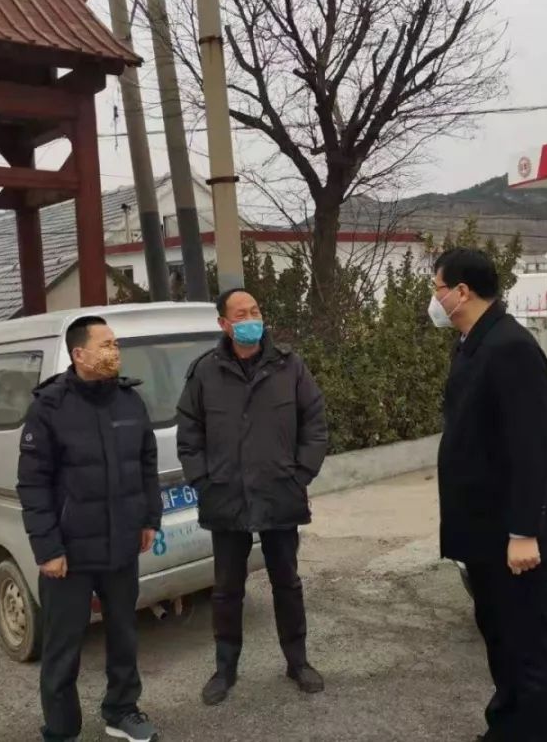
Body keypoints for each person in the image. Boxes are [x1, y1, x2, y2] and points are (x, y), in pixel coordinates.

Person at [430, 248, 547, 742]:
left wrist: (524, 530)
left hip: (512, 536)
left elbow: (532, 447)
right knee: (502, 642)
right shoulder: (474, 343)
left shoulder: (511, 348)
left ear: (461, 291)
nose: (435, 299)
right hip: (483, 532)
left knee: (529, 651)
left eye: (437, 289)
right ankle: (509, 728)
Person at [177, 288, 329, 706]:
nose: (251, 319)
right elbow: (189, 433)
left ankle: (297, 661)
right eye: (241, 314)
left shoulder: (289, 366)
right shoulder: (205, 372)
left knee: (287, 583)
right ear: (224, 324)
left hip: (279, 493)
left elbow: (315, 423)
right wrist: (203, 481)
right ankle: (225, 668)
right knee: (227, 589)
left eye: (256, 311)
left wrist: (300, 475)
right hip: (226, 497)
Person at [17, 316, 162, 742]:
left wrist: (149, 519)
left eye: (115, 344)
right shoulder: (49, 407)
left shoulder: (129, 401)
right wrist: (48, 549)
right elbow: (33, 484)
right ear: (79, 354)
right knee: (63, 645)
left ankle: (122, 710)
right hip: (70, 552)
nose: (114, 351)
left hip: (121, 543)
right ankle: (61, 728)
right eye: (105, 345)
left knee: (124, 634)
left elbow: (146, 465)